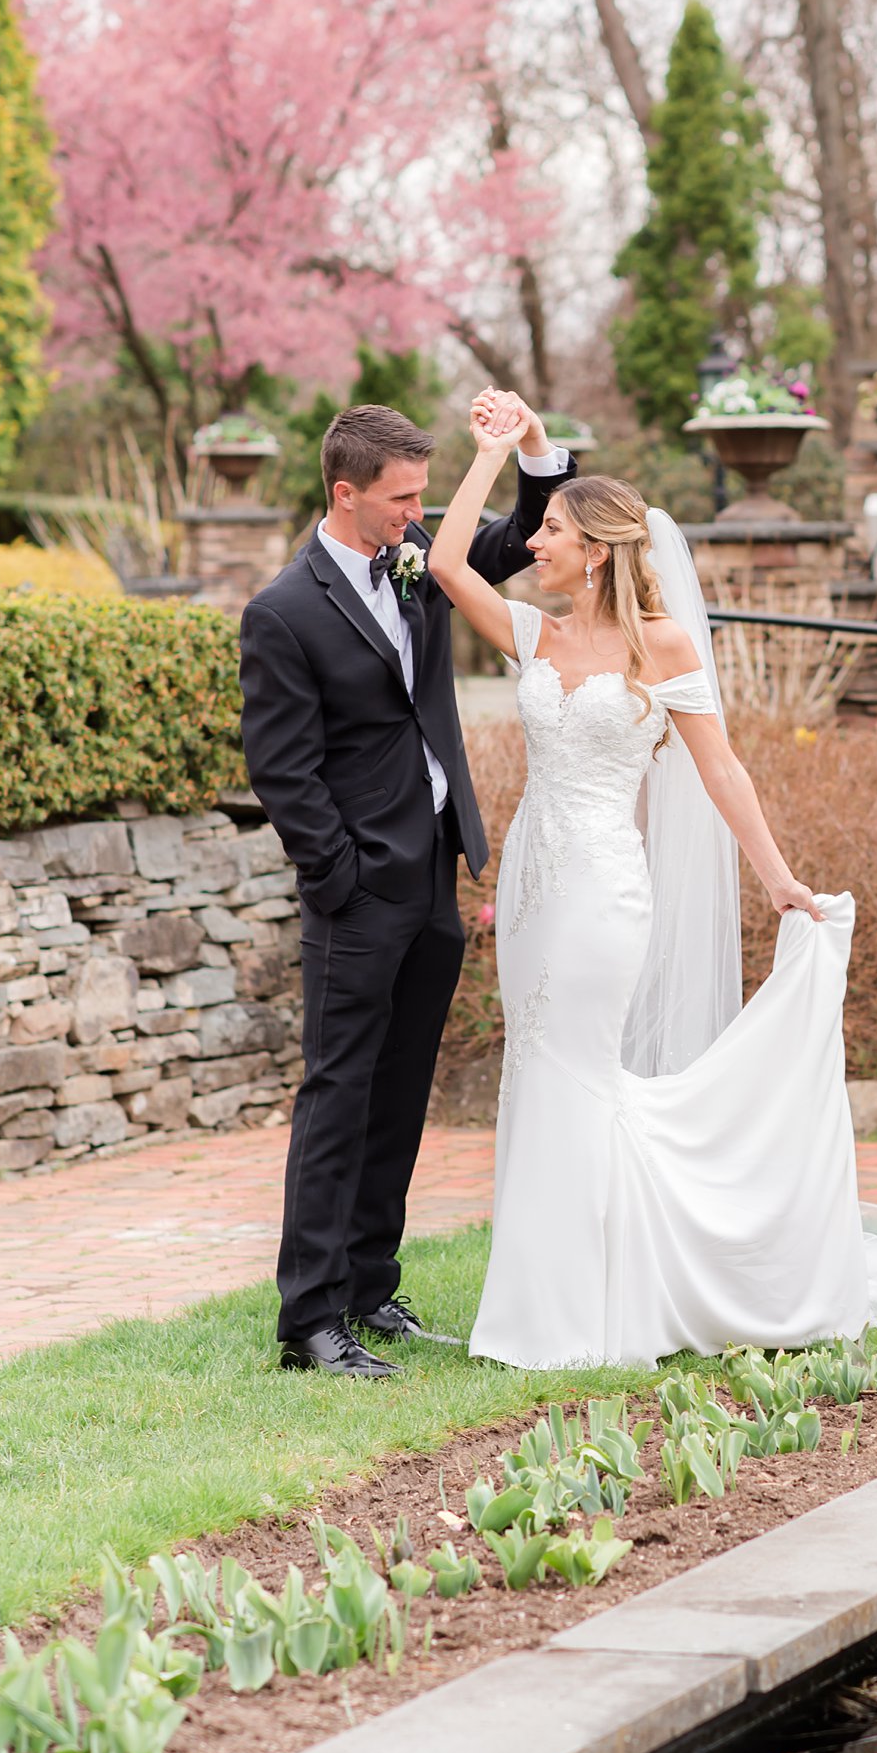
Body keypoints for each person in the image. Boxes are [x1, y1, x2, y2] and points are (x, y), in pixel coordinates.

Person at [429, 406, 877, 1371]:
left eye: (551, 529)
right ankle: (545, 1300)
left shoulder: (665, 648)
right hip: (530, 889)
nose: (535, 542)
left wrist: (780, 881)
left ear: (597, 551)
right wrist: (491, 456)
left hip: (603, 888)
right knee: (538, 1072)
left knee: (577, 1074)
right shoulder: (536, 633)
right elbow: (445, 566)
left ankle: (595, 1305)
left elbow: (723, 773)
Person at [239, 397, 576, 1376]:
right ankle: (310, 1320)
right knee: (338, 1093)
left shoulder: (420, 555)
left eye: (422, 496)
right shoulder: (283, 611)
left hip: (435, 867)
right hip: (357, 890)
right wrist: (339, 878)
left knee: (399, 1092)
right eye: (399, 499)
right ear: (343, 494)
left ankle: (368, 1288)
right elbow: (285, 774)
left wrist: (536, 451)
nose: (413, 512)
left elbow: (513, 541)